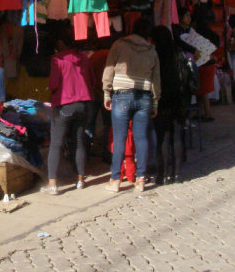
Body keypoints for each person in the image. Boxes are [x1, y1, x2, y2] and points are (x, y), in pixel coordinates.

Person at [102, 18, 160, 193]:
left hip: (121, 95)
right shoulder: (151, 50)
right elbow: (156, 79)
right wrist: (155, 101)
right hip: (144, 97)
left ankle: (115, 180)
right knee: (141, 138)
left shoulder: (119, 45)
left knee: (119, 138)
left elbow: (109, 69)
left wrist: (106, 92)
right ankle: (141, 179)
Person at [40, 29, 95, 195]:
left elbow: (54, 83)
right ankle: (80, 180)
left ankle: (52, 184)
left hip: (64, 105)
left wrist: (49, 88)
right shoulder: (84, 58)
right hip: (82, 105)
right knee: (79, 142)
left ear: (61, 43)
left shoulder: (58, 59)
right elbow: (92, 80)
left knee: (56, 144)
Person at [152, 26, 196, 184]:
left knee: (163, 137)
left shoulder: (156, 54)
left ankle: (162, 175)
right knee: (177, 136)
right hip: (180, 100)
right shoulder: (179, 53)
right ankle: (177, 174)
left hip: (162, 100)